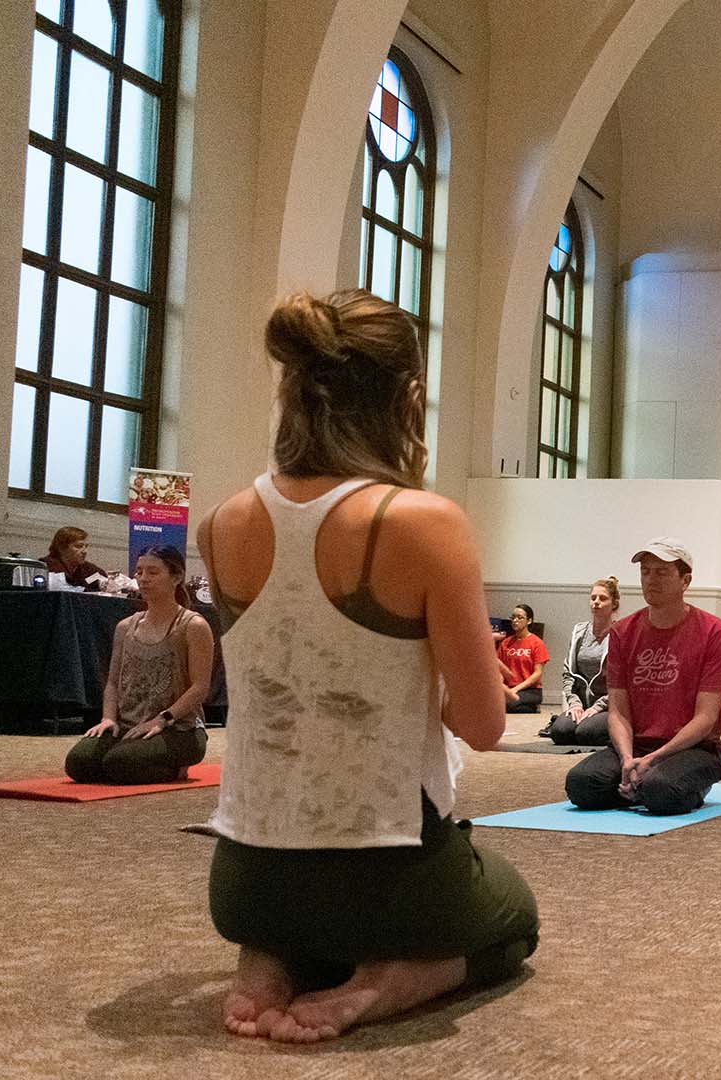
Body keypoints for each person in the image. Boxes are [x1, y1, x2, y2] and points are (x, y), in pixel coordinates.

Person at [199, 290, 537, 1044]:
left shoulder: (221, 524)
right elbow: (482, 726)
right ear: (408, 400)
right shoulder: (421, 522)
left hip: (243, 886)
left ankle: (268, 957)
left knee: (302, 899)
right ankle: (394, 977)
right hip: (388, 886)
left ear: (293, 391)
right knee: (514, 917)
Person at [565, 538, 721, 815]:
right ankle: (639, 784)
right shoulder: (622, 633)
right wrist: (627, 758)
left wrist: (656, 758)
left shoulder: (714, 632)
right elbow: (618, 711)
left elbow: (705, 719)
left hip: (694, 749)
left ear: (685, 580)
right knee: (581, 785)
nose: (650, 580)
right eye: (645, 571)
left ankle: (666, 786)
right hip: (636, 745)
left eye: (662, 572)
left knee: (660, 790)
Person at [65, 545, 214, 784]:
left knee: (121, 764)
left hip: (178, 729)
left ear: (176, 577)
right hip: (128, 725)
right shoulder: (125, 627)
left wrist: (162, 719)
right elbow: (113, 682)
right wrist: (108, 718)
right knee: (79, 764)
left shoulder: (193, 626)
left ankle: (177, 767)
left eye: (153, 573)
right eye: (139, 572)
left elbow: (200, 687)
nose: (143, 579)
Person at [546, 577, 620, 746]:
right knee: (560, 732)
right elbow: (568, 673)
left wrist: (597, 707)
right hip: (581, 704)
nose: (596, 602)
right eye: (593, 598)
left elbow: (623, 682)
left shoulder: (620, 634)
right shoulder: (579, 632)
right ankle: (580, 719)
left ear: (614, 604)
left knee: (586, 733)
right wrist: (574, 703)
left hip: (608, 705)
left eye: (602, 598)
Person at [494, 604, 548, 714]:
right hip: (509, 688)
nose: (515, 620)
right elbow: (499, 669)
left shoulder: (537, 643)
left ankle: (532, 706)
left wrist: (516, 689)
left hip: (531, 691)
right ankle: (528, 707)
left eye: (520, 617)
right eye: (513, 617)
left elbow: (537, 674)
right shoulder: (506, 643)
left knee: (508, 704)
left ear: (529, 621)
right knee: (493, 703)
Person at [43, 526, 109, 589]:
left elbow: (99, 577)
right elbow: (66, 588)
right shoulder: (46, 566)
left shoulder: (86, 568)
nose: (85, 551)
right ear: (61, 548)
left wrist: (105, 582)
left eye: (86, 546)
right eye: (79, 546)